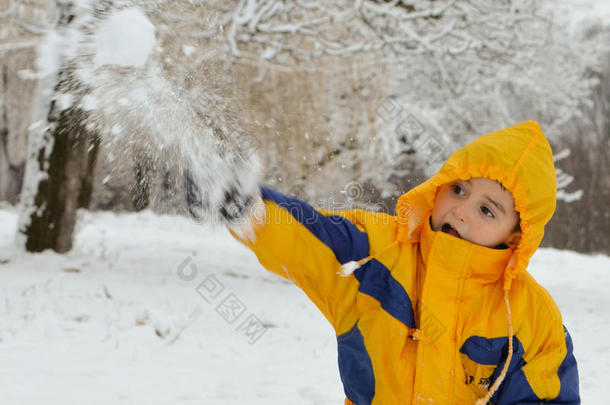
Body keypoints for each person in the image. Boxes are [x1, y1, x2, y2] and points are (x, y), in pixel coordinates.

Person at [230, 121, 580, 404]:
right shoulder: (378, 255)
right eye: (458, 189)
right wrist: (247, 207)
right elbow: (311, 238)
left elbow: (546, 397)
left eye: (487, 210)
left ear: (516, 237)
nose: (460, 210)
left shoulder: (531, 317)